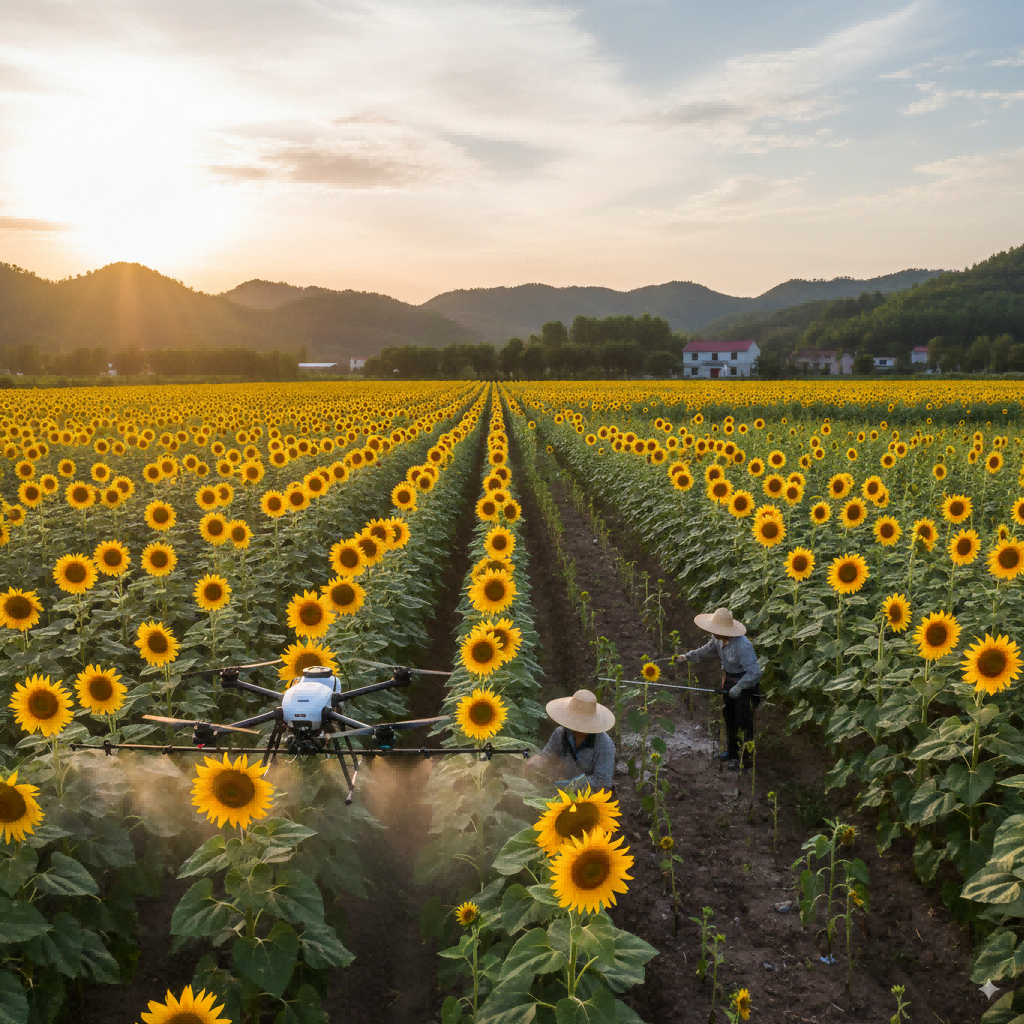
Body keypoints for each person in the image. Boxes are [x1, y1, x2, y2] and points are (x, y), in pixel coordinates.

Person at [682, 607, 761, 770]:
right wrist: (688, 656)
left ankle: (746, 761)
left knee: (743, 720)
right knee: (729, 717)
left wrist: (739, 687)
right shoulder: (717, 638)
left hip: (746, 683)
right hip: (730, 679)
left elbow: (755, 673)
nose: (713, 633)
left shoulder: (742, 645)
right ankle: (732, 751)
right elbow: (707, 650)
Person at [531, 689, 615, 791]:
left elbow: (603, 781)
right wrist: (537, 762)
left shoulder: (604, 744)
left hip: (589, 798)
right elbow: (547, 756)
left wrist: (572, 784)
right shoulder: (560, 733)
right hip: (559, 794)